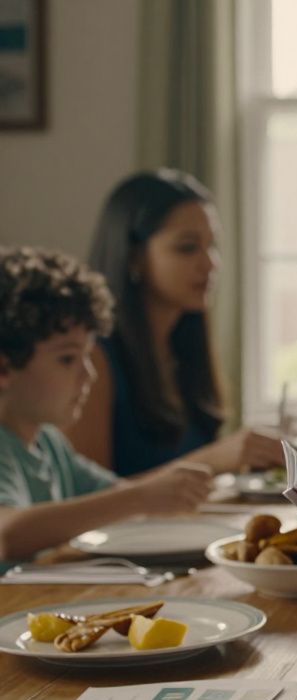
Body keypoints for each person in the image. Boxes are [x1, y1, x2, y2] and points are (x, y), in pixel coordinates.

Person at [63, 170, 283, 477]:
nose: (209, 264)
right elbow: (86, 504)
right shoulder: (94, 359)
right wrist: (211, 460)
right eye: (187, 247)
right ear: (134, 258)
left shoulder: (183, 347)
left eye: (212, 245)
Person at [0, 245, 212, 562]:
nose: (90, 374)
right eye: (68, 359)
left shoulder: (47, 443)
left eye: (87, 355)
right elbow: (7, 535)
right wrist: (140, 498)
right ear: (4, 369)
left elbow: (112, 495)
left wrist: (167, 493)